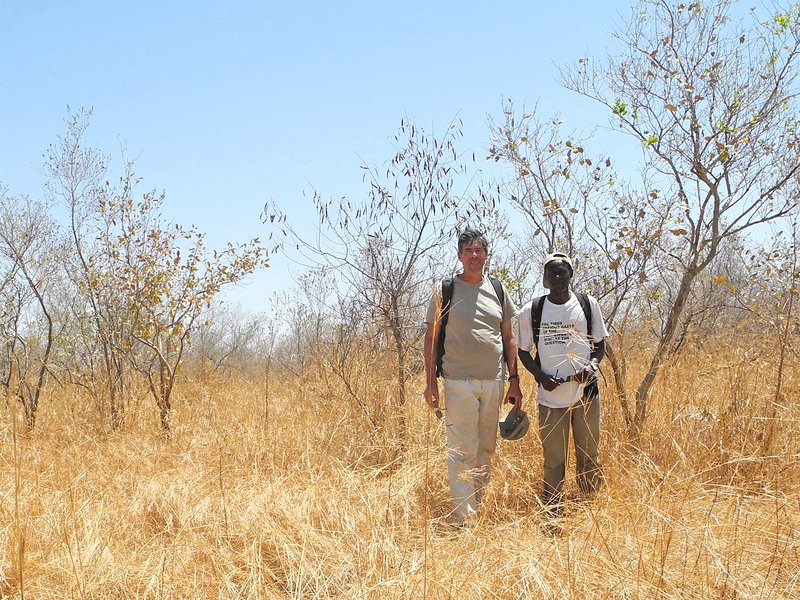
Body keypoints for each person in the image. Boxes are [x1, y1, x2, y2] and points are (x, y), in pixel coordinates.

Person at [423, 228, 522, 525]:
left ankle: (477, 506)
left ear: (486, 255)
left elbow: (509, 337)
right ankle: (466, 520)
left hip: (493, 380)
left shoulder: (498, 289)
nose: (474, 256)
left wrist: (514, 380)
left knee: (485, 447)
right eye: (468, 251)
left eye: (479, 250)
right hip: (458, 381)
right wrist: (430, 383)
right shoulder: (445, 291)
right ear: (459, 255)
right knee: (461, 449)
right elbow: (431, 337)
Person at [516, 252, 609, 515]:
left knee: (589, 453)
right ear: (544, 279)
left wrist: (591, 367)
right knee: (554, 458)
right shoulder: (531, 310)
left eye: (562, 272)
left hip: (585, 393)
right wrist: (540, 376)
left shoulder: (587, 305)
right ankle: (553, 509)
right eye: (552, 273)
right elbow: (523, 351)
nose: (557, 277)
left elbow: (600, 345)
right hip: (550, 397)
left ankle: (590, 506)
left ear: (571, 275)